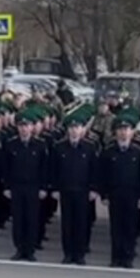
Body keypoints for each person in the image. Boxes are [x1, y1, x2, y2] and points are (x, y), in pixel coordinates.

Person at [99, 114, 140, 269]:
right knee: (116, 227)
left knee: (130, 227)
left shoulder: (138, 152)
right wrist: (104, 194)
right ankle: (116, 257)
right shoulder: (109, 152)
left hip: (132, 195)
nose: (123, 133)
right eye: (120, 130)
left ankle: (127, 257)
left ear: (132, 132)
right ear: (115, 132)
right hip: (115, 194)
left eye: (126, 129)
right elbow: (103, 174)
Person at [49, 113, 98, 265]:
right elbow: (54, 170)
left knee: (81, 223)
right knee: (67, 223)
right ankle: (68, 253)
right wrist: (55, 188)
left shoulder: (89, 147)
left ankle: (80, 253)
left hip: (83, 191)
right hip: (65, 190)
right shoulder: (59, 147)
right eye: (71, 128)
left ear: (82, 129)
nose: (74, 131)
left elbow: (94, 170)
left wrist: (93, 189)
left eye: (77, 127)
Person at [1, 109, 48, 262]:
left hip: (33, 187)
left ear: (32, 128)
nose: (23, 129)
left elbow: (44, 168)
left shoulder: (40, 145)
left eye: (26, 126)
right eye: (21, 126)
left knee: (32, 219)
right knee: (18, 219)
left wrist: (43, 187)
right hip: (16, 187)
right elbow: (6, 168)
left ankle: (30, 250)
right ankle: (20, 249)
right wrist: (7, 187)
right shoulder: (11, 144)